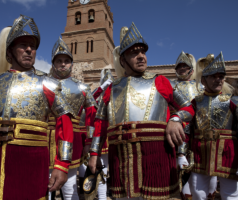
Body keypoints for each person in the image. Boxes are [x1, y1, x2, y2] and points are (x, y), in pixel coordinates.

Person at [0, 15, 75, 200]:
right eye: (23, 45)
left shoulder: (47, 84)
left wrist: (62, 165)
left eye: (33, 46)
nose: (29, 49)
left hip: (29, 163)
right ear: (10, 51)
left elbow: (65, 122)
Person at [88, 22, 195, 200]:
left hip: (156, 155)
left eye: (143, 52)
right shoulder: (111, 89)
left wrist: (176, 119)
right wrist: (93, 154)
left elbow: (188, 107)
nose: (141, 57)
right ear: (122, 60)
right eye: (134, 53)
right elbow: (100, 124)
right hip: (120, 159)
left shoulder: (160, 81)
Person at [48, 37, 98, 200]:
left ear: (71, 64)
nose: (63, 64)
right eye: (59, 61)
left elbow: (91, 117)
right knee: (44, 184)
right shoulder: (42, 83)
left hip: (72, 140)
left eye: (66, 61)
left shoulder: (83, 88)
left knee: (69, 186)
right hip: (44, 139)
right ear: (53, 63)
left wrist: (89, 143)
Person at [189, 52, 238, 200]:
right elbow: (187, 126)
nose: (218, 80)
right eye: (213, 76)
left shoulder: (233, 100)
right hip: (200, 151)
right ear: (204, 80)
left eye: (221, 76)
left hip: (228, 151)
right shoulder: (195, 102)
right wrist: (182, 152)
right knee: (197, 192)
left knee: (231, 194)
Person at [172, 51, 217, 200]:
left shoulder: (200, 86)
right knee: (182, 171)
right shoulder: (171, 86)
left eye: (185, 67)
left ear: (191, 69)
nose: (182, 69)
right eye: (179, 67)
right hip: (178, 130)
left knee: (206, 168)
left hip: (199, 131)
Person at [78, 68, 113, 200]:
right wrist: (89, 141)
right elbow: (90, 121)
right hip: (101, 140)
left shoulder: (114, 96)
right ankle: (102, 197)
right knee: (100, 171)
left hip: (114, 138)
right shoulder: (96, 101)